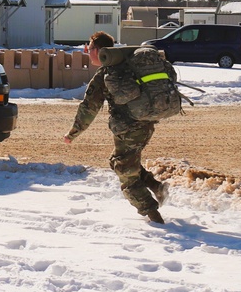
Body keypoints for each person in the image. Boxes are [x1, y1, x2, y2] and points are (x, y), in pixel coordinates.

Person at [62, 31, 169, 224]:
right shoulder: (128, 65)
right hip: (145, 124)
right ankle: (156, 186)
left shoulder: (107, 73)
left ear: (99, 50)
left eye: (89, 48)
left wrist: (73, 133)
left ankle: (155, 216)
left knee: (126, 173)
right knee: (119, 162)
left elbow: (89, 107)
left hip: (129, 129)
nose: (87, 51)